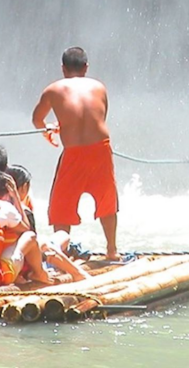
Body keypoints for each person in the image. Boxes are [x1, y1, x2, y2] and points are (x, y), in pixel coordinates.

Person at [32, 46, 119, 260]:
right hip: (101, 147)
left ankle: (60, 254)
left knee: (61, 205)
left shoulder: (53, 89)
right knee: (106, 197)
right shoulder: (99, 87)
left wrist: (50, 128)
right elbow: (99, 116)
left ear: (63, 68)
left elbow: (37, 119)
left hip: (74, 153)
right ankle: (112, 250)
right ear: (86, 67)